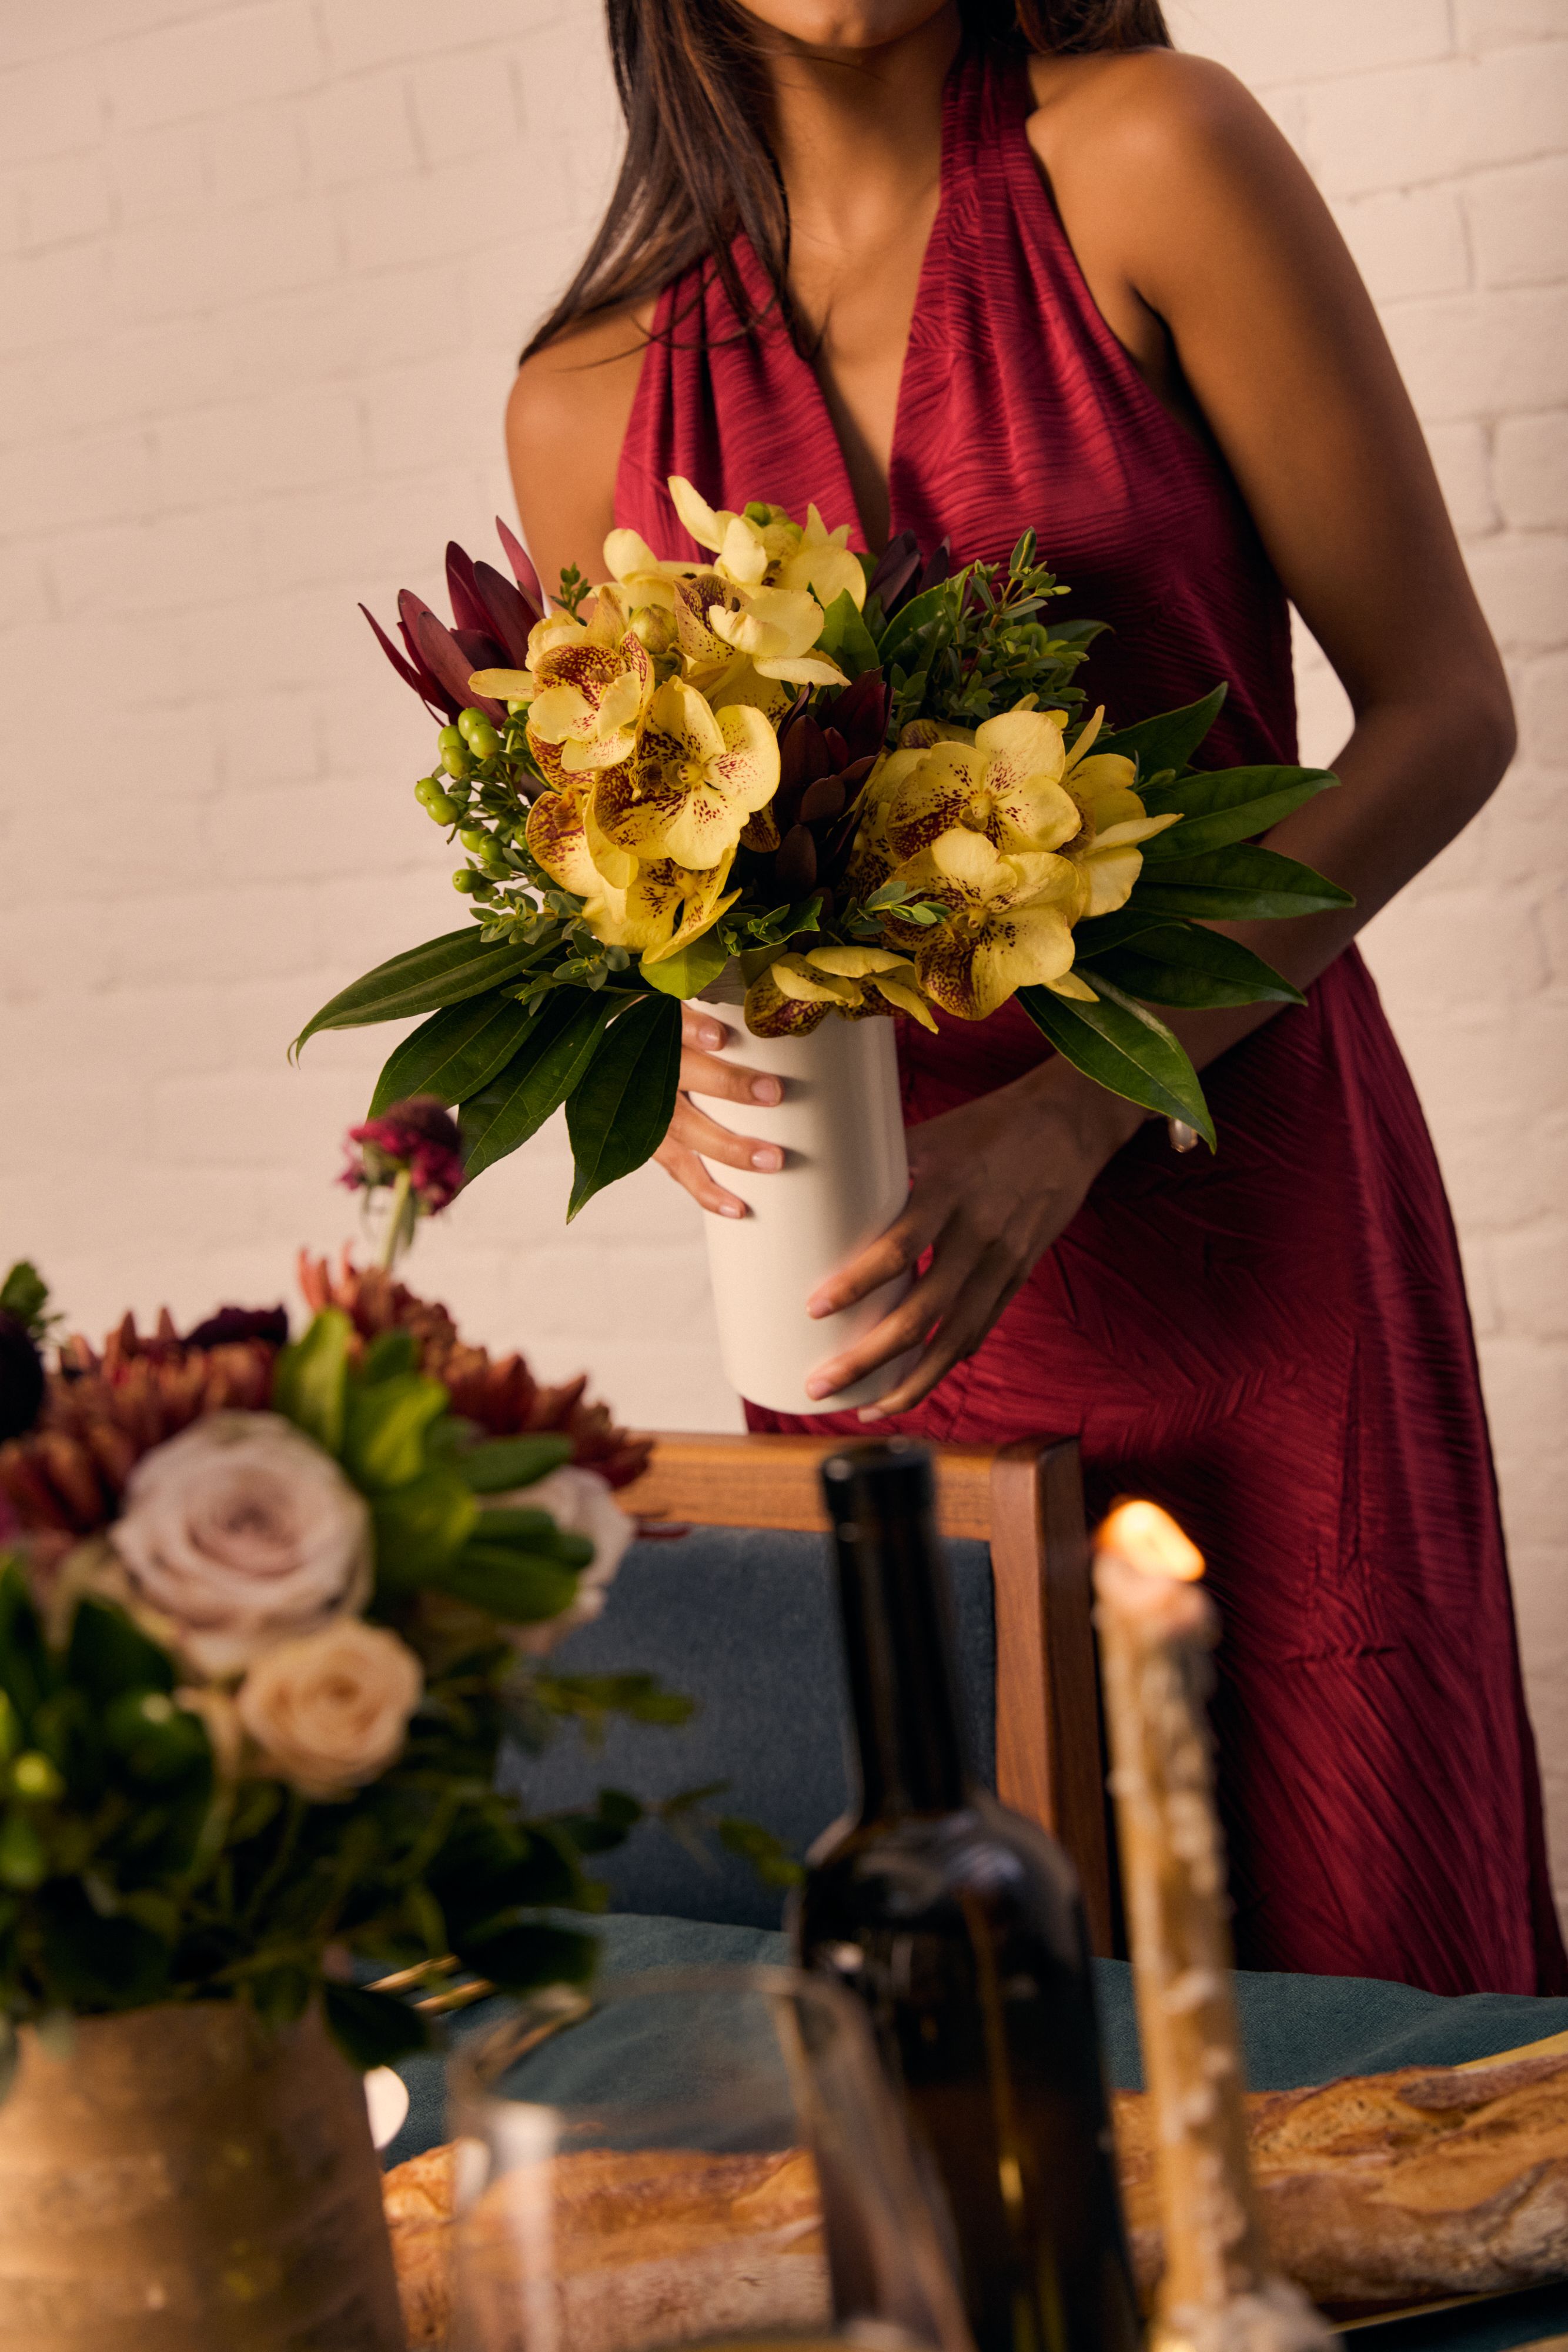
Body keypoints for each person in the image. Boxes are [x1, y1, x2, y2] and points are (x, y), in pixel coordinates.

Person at [505, 0, 1566, 1999]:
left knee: (1372, 1968)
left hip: (1244, 1198)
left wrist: (1082, 1104)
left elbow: (1443, 710)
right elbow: (641, 895)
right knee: (983, 1969)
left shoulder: (1155, 157)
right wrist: (660, 1087)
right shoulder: (579, 400)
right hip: (876, 1285)